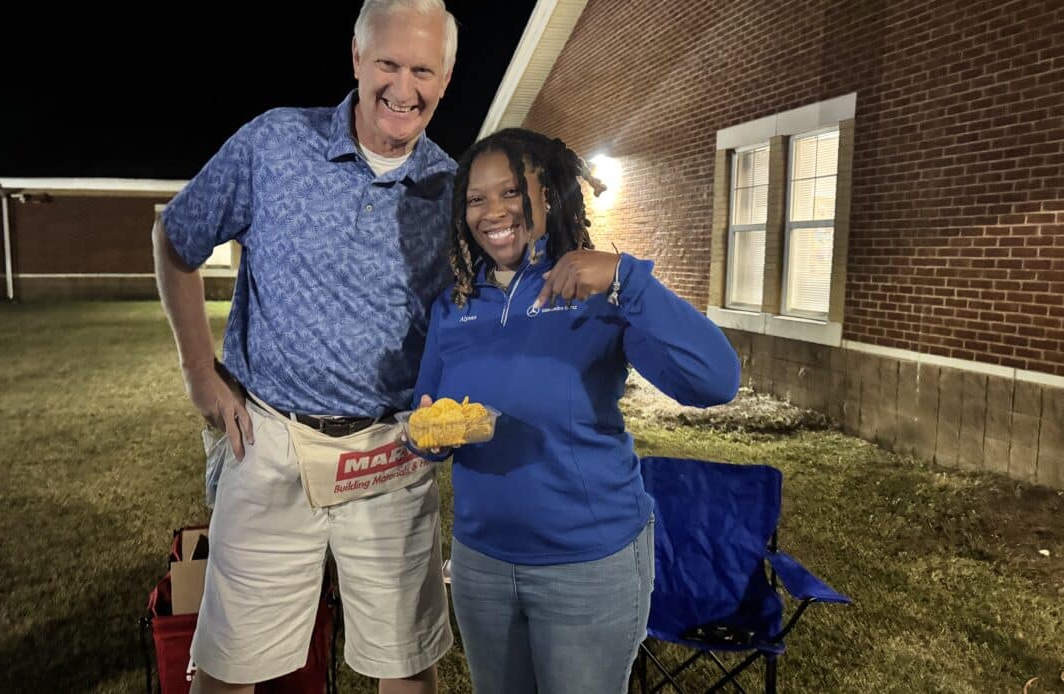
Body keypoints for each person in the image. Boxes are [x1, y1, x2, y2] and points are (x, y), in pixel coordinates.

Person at [151, 2, 459, 692]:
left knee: (407, 668)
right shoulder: (275, 143)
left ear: (445, 79)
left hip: (391, 454)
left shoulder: (454, 189)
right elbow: (176, 238)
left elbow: (472, 317)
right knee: (227, 669)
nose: (402, 88)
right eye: (387, 63)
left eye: (422, 70)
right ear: (356, 57)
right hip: (268, 439)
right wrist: (198, 369)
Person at [409, 127, 742, 694]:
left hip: (587, 565)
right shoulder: (454, 305)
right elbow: (428, 409)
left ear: (548, 195)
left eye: (511, 191)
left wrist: (626, 278)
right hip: (480, 565)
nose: (493, 211)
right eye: (476, 198)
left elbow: (715, 380)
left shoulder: (597, 293)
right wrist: (428, 437)